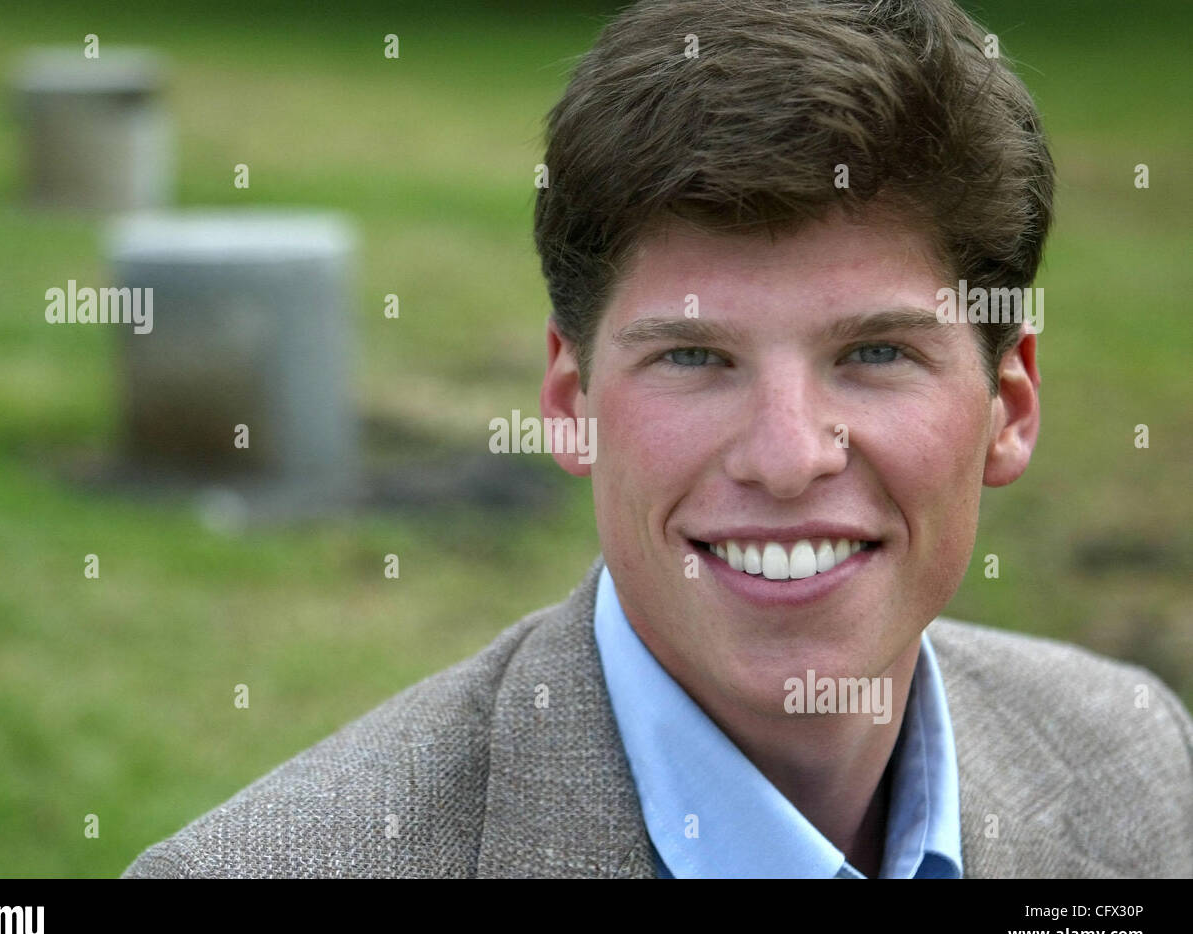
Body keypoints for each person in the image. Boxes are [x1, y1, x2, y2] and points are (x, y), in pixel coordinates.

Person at [124, 0, 1193, 878]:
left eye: (873, 353)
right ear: (569, 401)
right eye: (692, 358)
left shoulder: (1137, 759)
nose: (785, 458)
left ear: (1007, 406)